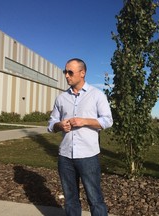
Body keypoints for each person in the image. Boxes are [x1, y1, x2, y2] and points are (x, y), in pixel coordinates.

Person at [48, 58, 113, 216]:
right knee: (70, 200)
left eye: (70, 72)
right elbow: (51, 123)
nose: (67, 76)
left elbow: (108, 120)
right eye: (65, 72)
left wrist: (85, 121)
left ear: (82, 73)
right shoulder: (61, 98)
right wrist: (59, 125)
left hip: (88, 156)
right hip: (65, 156)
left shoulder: (97, 95)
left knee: (95, 199)